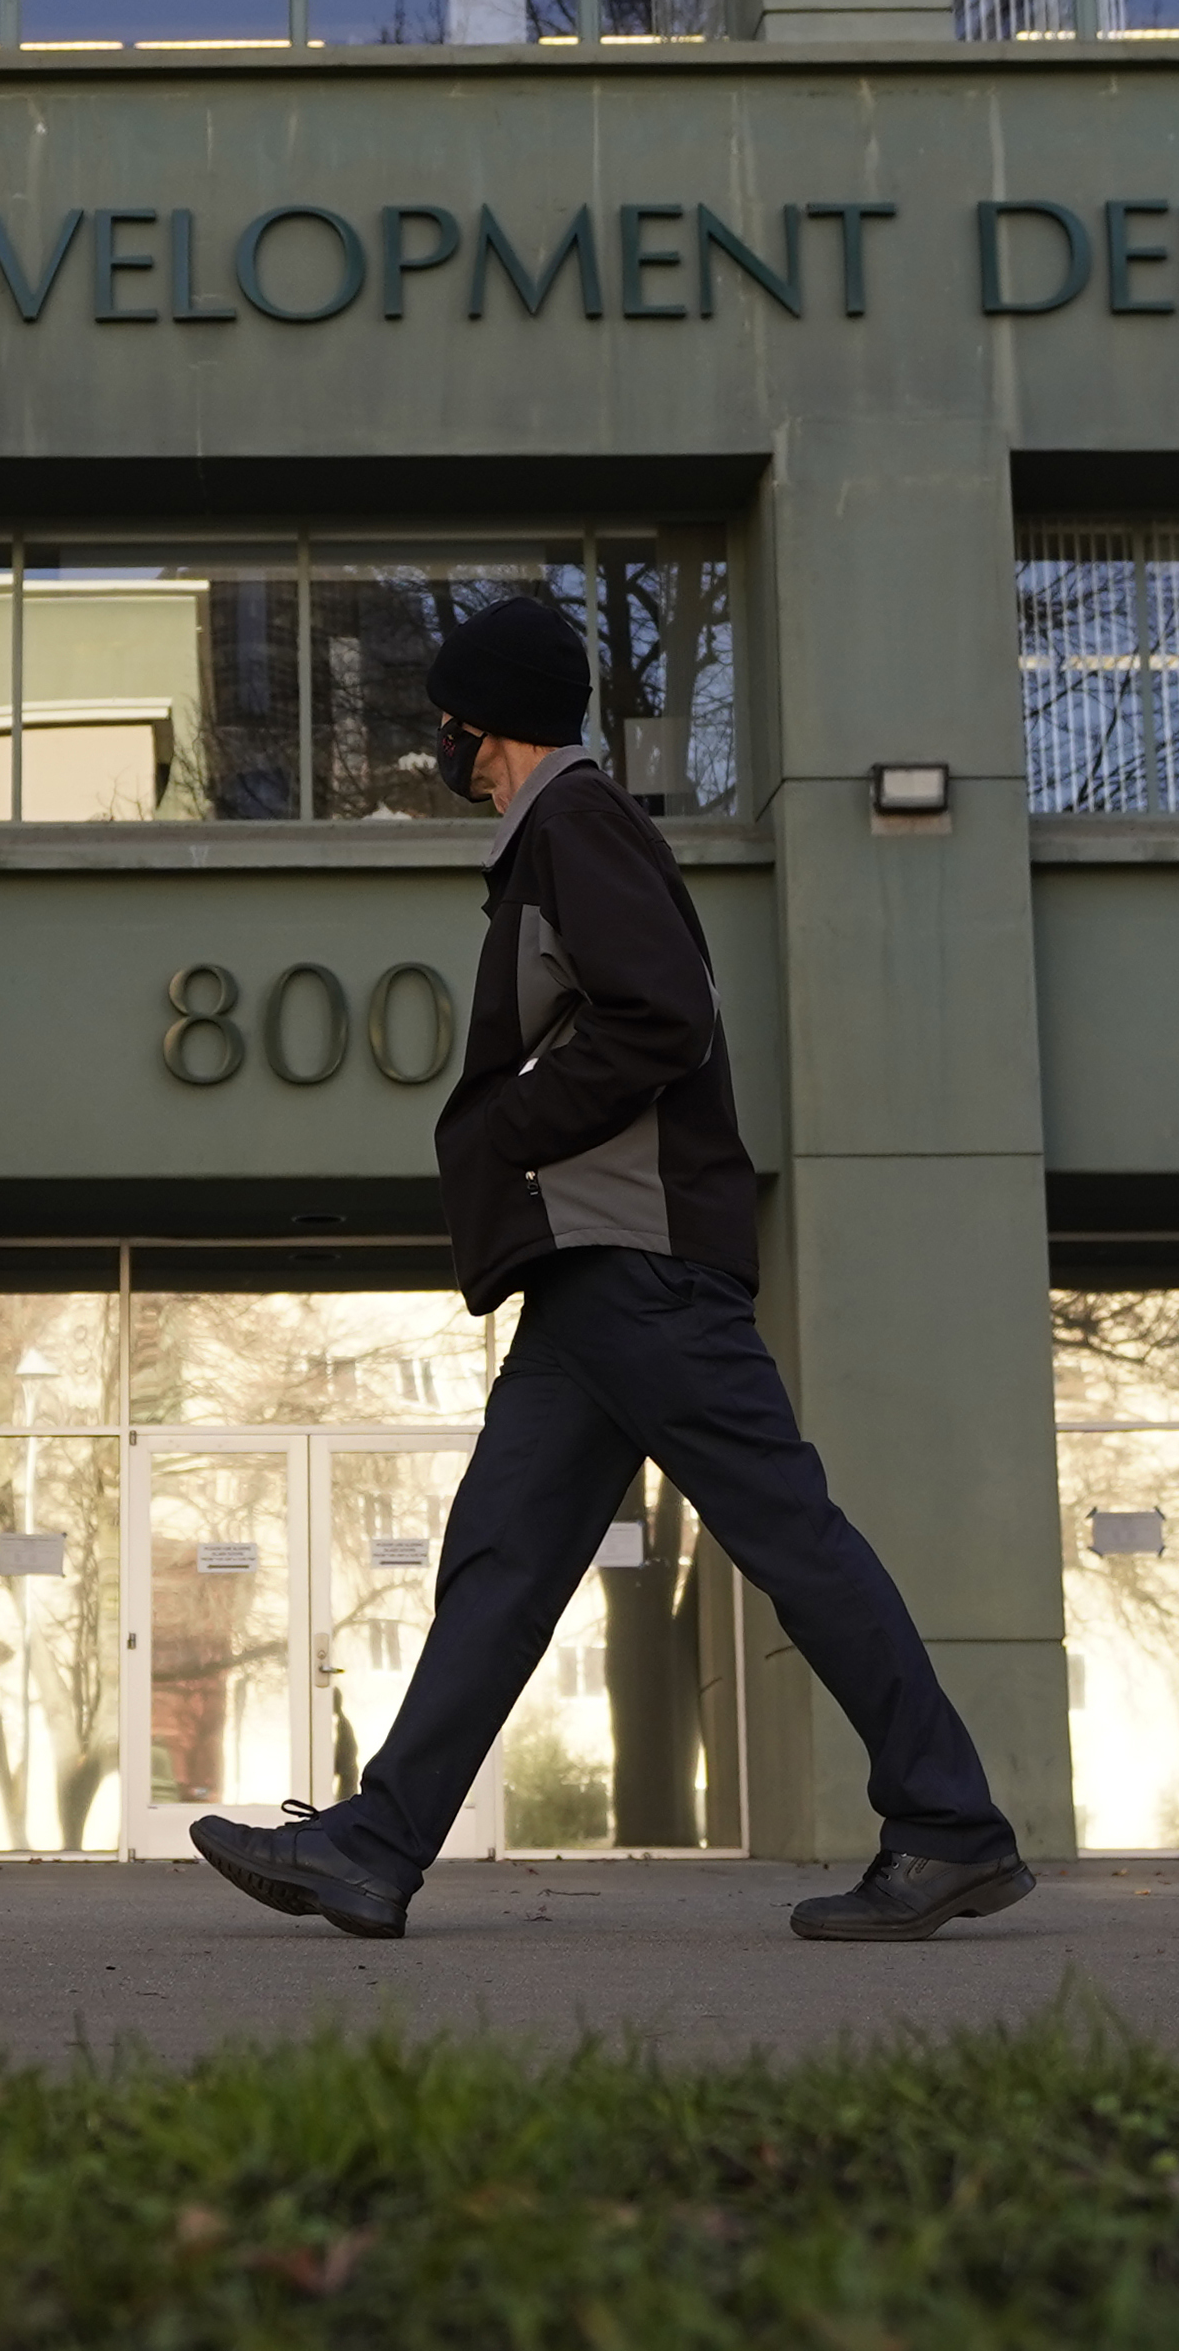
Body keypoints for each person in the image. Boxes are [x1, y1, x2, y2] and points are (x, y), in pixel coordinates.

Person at [188, 594, 1038, 1944]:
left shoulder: (576, 825)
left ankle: (947, 1824)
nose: (443, 748)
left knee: (784, 1534)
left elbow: (662, 1016)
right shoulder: (558, 837)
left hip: (634, 1259)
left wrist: (511, 1128)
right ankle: (377, 1845)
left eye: (448, 725)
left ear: (482, 724)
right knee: (502, 1557)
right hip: (596, 1273)